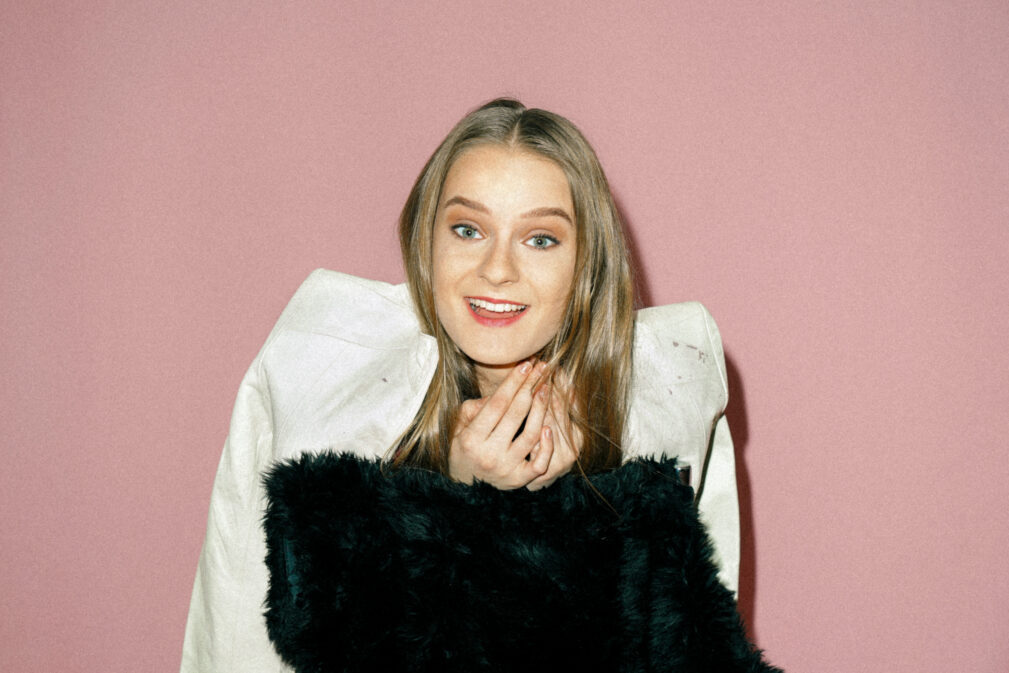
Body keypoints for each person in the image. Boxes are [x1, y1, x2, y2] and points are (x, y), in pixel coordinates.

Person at [181, 98, 740, 672]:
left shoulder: (663, 397)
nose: (497, 269)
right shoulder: (328, 382)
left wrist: (571, 497)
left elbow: (692, 651)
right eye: (468, 230)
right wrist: (454, 496)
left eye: (540, 239)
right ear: (428, 241)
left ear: (587, 266)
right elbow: (248, 636)